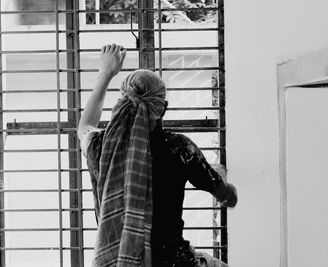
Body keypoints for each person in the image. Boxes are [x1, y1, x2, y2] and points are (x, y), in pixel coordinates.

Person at [78, 44, 237, 267]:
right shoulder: (180, 149)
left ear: (122, 103)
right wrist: (222, 181)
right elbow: (227, 196)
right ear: (163, 108)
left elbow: (84, 126)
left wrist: (105, 75)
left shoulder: (98, 146)